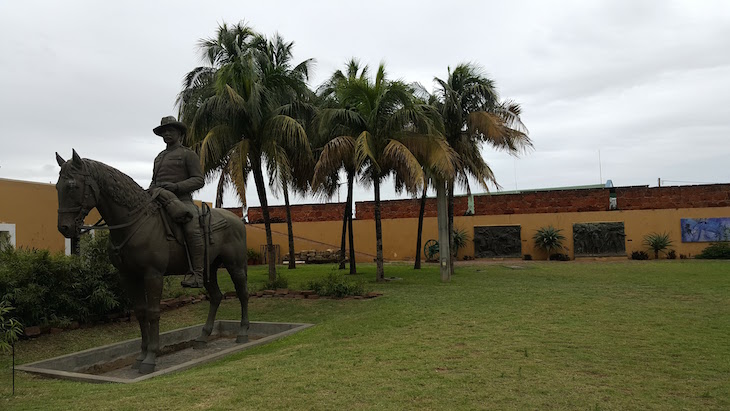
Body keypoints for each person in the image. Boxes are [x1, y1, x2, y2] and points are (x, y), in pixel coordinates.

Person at [150, 116, 205, 288]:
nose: (166, 134)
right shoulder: (159, 157)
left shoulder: (188, 154)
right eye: (164, 131)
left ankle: (197, 273)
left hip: (182, 201)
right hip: (158, 199)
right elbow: (154, 180)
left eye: (170, 130)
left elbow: (198, 180)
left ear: (179, 133)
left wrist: (176, 186)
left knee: (191, 226)